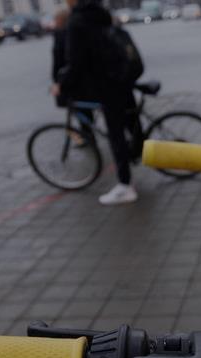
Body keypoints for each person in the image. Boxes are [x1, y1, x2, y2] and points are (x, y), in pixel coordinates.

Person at [55, 0, 143, 206]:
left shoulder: (77, 21)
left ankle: (125, 186)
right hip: (123, 76)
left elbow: (76, 62)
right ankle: (145, 154)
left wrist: (61, 85)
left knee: (116, 135)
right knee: (132, 124)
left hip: (106, 84)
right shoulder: (100, 13)